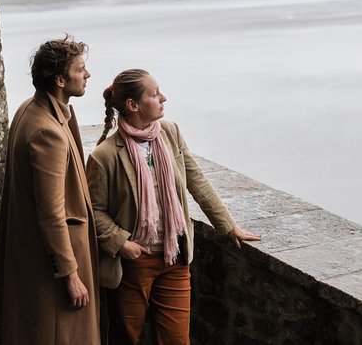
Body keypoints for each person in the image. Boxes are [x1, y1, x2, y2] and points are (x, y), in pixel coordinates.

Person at [86, 69, 261, 345]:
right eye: (154, 95)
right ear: (133, 105)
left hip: (175, 255)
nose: (163, 98)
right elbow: (93, 211)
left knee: (177, 340)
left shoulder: (170, 132)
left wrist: (229, 227)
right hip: (134, 262)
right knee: (124, 338)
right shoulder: (104, 156)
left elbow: (197, 181)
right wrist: (122, 244)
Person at [0, 35, 99, 344]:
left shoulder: (33, 109)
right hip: (53, 266)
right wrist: (70, 274)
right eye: (81, 69)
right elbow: (51, 212)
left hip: (37, 256)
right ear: (61, 80)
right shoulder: (47, 132)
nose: (87, 75)